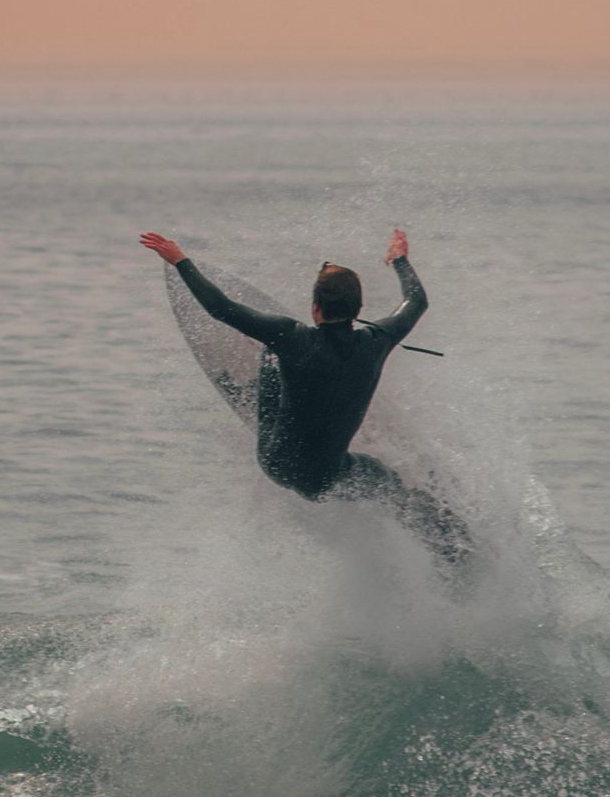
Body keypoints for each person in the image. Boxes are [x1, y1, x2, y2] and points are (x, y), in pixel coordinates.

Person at [139, 228, 468, 563]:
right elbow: (417, 301)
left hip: (277, 461)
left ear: (314, 308)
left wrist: (180, 260)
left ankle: (255, 385)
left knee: (272, 354)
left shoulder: (290, 336)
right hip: (329, 475)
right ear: (358, 309)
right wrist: (400, 259)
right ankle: (448, 547)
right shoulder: (378, 340)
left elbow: (220, 309)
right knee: (390, 486)